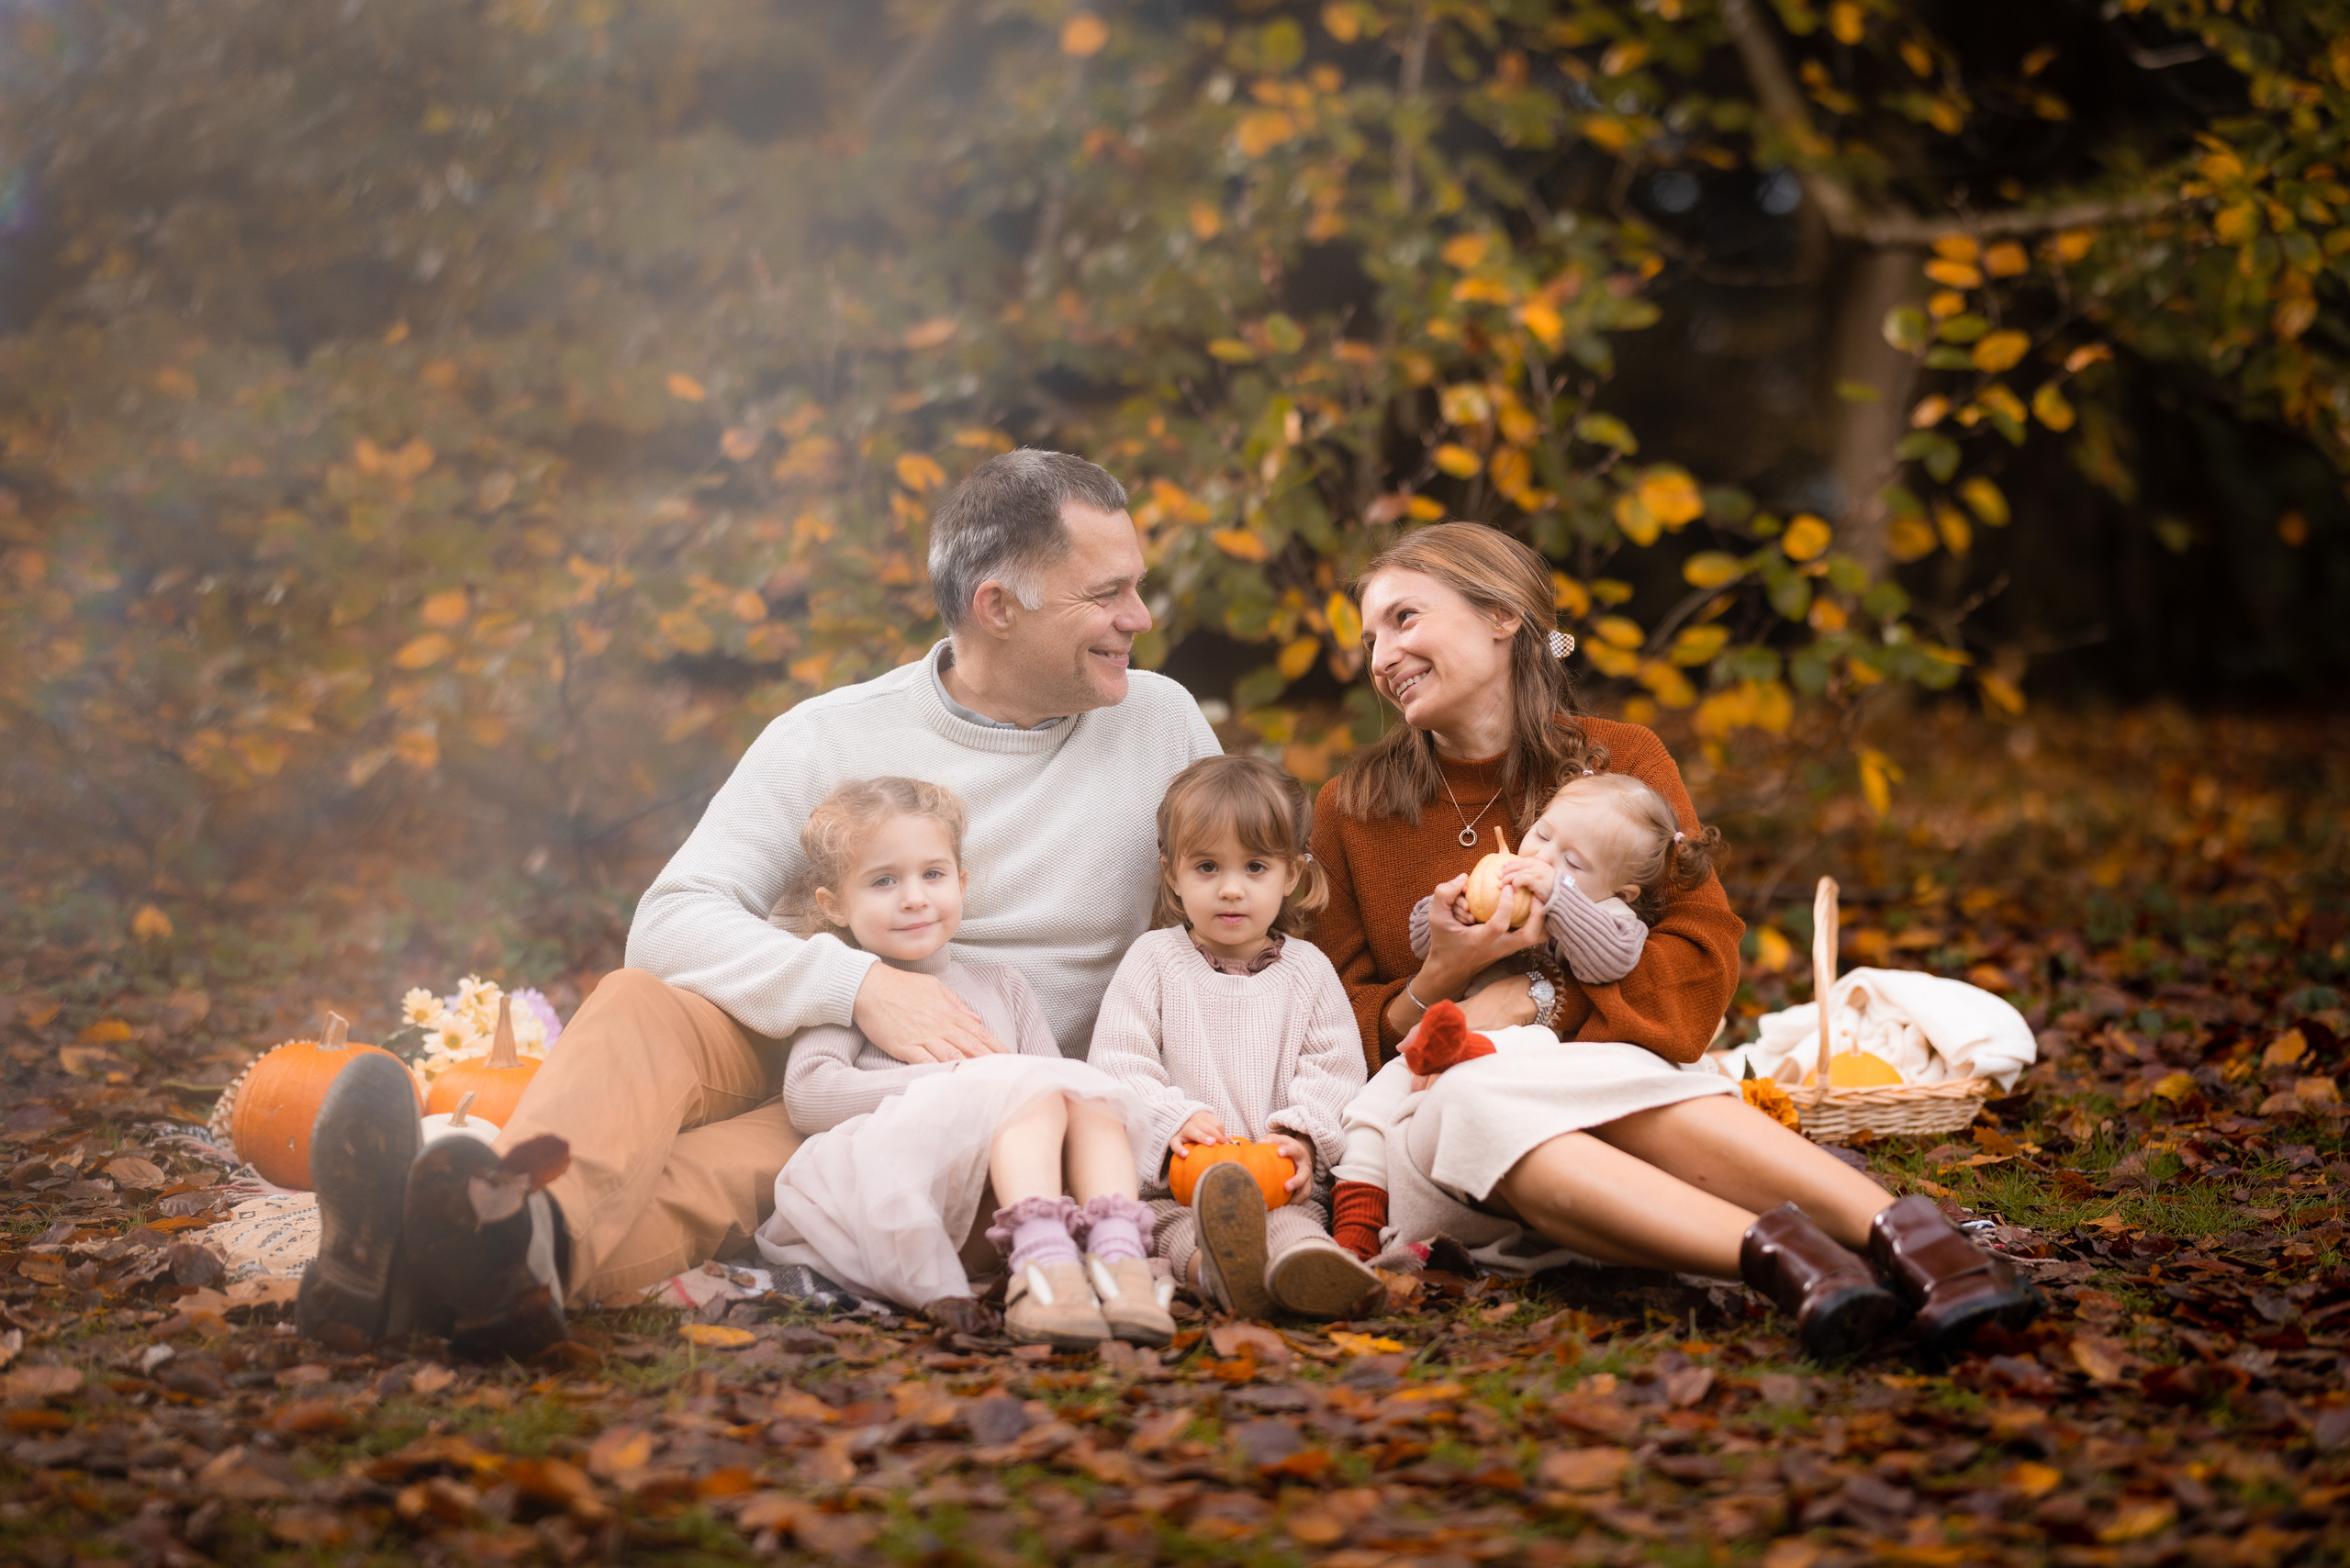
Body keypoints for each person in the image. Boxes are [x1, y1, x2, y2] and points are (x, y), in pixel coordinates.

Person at [297, 450, 1221, 1355]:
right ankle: (502, 1232)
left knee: (719, 1172)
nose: (1137, 616)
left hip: (975, 1102)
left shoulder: (1159, 723)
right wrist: (857, 987)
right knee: (633, 1000)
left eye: (1133, 587)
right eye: (1106, 594)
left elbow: (1244, 909)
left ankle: (426, 1268)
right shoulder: (829, 736)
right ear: (997, 608)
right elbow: (669, 920)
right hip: (798, 1040)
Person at [1311, 521, 2041, 1359]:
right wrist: (1438, 978)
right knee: (1479, 1100)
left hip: (1616, 1097)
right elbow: (1326, 1029)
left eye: (1404, 618)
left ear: (1503, 616)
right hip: (1435, 1132)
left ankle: (1918, 1248)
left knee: (1602, 1083)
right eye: (1370, 636)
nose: (1380, 656)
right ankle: (1798, 1266)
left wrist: (1542, 1002)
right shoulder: (1351, 807)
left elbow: (1699, 970)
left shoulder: (1620, 761)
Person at [755, 778, 1172, 1348]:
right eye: (883, 881)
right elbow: (809, 1093)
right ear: (835, 905)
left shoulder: (1002, 984)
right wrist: (960, 1082)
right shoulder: (854, 994)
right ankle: (1040, 1275)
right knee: (1022, 1094)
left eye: (933, 874)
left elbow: (1053, 1085)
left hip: (995, 1209)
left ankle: (1119, 1262)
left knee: (1086, 1098)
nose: (914, 898)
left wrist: (1004, 1089)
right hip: (896, 1196)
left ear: (961, 882)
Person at [1087, 756, 1383, 1321]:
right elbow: (1120, 1062)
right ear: (1172, 873)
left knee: (1295, 1228)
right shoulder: (1153, 960)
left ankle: (1312, 1272)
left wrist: (1302, 1137)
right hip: (1181, 1182)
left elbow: (1337, 1070)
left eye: (1254, 867)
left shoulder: (1309, 970)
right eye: (1206, 868)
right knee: (1178, 1237)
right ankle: (1221, 1275)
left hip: (1276, 1178)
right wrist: (1172, 1117)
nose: (1230, 890)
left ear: (1291, 875)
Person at [1404, 768, 1724, 999]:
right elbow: (1422, 946)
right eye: (1542, 834)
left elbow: (1610, 964)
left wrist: (1559, 898)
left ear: (1621, 892)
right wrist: (1454, 911)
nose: (1542, 858)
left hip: (1538, 1049)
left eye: (1573, 862)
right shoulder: (1503, 882)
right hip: (1458, 1025)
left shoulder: (1611, 916)